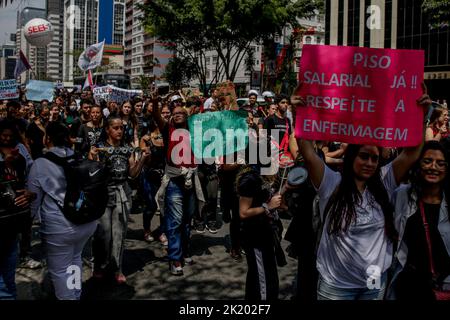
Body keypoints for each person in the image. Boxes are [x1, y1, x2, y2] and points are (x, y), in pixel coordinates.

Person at [291, 84, 431, 300]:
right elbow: (308, 153)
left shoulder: (385, 180)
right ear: (351, 158)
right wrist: (298, 113)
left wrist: (422, 117)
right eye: (364, 156)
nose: (370, 162)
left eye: (374, 158)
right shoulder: (331, 182)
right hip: (335, 287)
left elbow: (412, 154)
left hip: (373, 283)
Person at [27, 122, 97, 300]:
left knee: (60, 271)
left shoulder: (40, 164)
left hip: (59, 228)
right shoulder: (78, 157)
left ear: (47, 138)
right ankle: (75, 294)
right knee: (74, 260)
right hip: (85, 222)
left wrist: (25, 225)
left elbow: (32, 201)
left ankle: (70, 296)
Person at [90, 116, 149, 284]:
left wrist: (143, 158)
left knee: (119, 233)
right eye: (115, 128)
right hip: (103, 194)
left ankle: (117, 267)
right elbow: (91, 172)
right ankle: (100, 265)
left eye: (121, 128)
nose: (119, 131)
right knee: (103, 233)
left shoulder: (127, 148)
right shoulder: (99, 148)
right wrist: (93, 157)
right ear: (107, 129)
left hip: (123, 193)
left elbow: (132, 174)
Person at [387, 141, 450, 300]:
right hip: (409, 285)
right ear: (418, 164)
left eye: (440, 163)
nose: (433, 167)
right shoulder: (401, 196)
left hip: (444, 287)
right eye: (427, 161)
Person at [237, 164, 283, 300]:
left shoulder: (264, 176)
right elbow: (243, 212)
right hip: (256, 237)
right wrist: (268, 207)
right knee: (263, 282)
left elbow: (270, 200)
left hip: (266, 235)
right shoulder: (249, 179)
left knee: (266, 277)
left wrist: (286, 188)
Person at [0, 121, 34, 299]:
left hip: (11, 223)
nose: (6, 139)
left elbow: (23, 184)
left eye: (9, 136)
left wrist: (29, 195)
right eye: (3, 135)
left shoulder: (19, 157)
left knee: (8, 275)